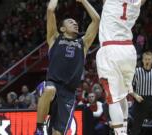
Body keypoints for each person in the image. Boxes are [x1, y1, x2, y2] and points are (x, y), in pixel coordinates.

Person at [35, 0, 100, 134]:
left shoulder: (83, 43)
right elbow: (50, 10)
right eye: (70, 22)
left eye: (76, 22)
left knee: (58, 133)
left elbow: (96, 20)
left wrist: (84, 2)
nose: (75, 23)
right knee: (49, 89)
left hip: (69, 93)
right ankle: (39, 128)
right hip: (52, 84)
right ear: (62, 28)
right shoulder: (54, 38)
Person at [96, 0, 146, 134]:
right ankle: (123, 130)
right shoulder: (135, 4)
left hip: (111, 48)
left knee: (112, 99)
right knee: (122, 95)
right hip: (129, 50)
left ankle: (120, 133)